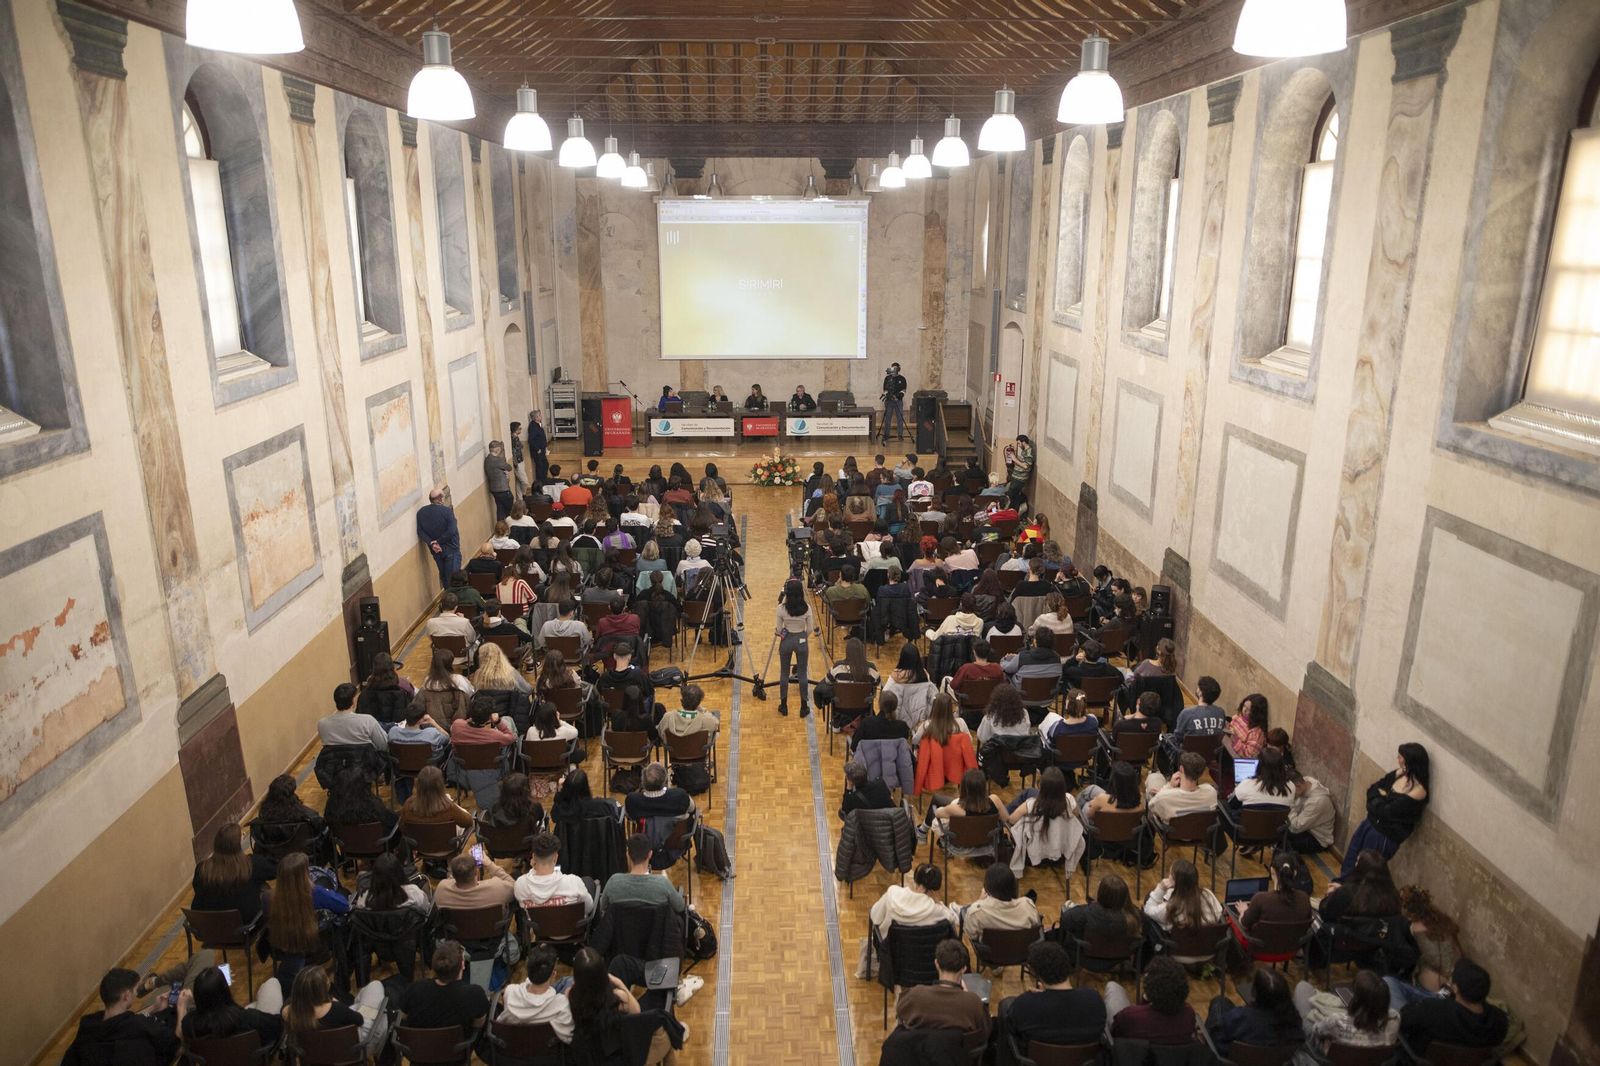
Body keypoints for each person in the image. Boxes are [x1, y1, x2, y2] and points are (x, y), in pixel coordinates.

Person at [1340, 742, 1430, 881]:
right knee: (1351, 858)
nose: (1398, 760)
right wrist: (1379, 799)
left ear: (1411, 761)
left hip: (1384, 835)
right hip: (1369, 823)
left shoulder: (1419, 791)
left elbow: (1387, 811)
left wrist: (1378, 799)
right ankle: (1340, 887)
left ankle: (1352, 897)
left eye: (1401, 757)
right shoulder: (1400, 774)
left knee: (1365, 869)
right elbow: (1372, 789)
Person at [62, 968, 186, 1066]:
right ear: (126, 996)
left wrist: (154, 1008)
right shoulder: (141, 1027)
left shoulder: (89, 1024)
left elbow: (122, 1022)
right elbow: (176, 1046)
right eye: (135, 990)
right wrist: (181, 1008)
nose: (136, 993)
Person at [858, 864, 956, 978]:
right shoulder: (938, 912)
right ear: (937, 888)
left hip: (893, 960)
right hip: (926, 964)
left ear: (915, 881)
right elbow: (953, 920)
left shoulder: (893, 894)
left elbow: (875, 916)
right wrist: (939, 903)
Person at [1295, 969, 1399, 1060]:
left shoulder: (1337, 1021)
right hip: (1371, 1060)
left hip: (1329, 1059)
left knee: (1302, 987)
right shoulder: (1395, 1017)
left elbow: (1316, 1031)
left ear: (1357, 1000)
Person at [894, 939, 989, 1037]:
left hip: (923, 1050)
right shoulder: (974, 1002)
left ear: (936, 964)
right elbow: (985, 1032)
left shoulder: (915, 995)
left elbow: (900, 1014)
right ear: (964, 969)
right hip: (959, 1051)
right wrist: (967, 996)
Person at [1207, 967, 1303, 1056]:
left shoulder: (1240, 1017)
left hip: (1233, 1058)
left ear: (1255, 992)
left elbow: (1220, 1038)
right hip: (1273, 1059)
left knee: (1219, 1003)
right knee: (1224, 1003)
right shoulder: (1295, 1019)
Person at [397, 939, 490, 1031]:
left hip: (418, 1044)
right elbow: (478, 1025)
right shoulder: (475, 994)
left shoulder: (415, 989)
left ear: (434, 967)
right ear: (463, 965)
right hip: (457, 1044)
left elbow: (402, 1017)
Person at [191, 823, 275, 923]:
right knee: (269, 893)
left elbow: (198, 892)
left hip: (208, 929)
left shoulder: (201, 868)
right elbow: (276, 870)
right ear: (238, 844)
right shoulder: (252, 864)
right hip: (245, 927)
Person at [1143, 860, 1224, 963]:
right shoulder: (1209, 895)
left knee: (1147, 918)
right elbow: (1219, 915)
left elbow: (1147, 909)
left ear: (1174, 881)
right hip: (1208, 953)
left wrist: (1161, 888)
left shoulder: (1171, 908)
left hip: (1179, 954)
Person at [179, 964, 281, 1044]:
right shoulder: (247, 1018)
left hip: (215, 1060)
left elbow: (180, 1035)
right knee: (272, 983)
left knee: (253, 1005)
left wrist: (181, 1006)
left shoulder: (189, 1025)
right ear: (225, 991)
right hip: (251, 1058)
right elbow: (277, 1027)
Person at [1106, 955, 1198, 1044]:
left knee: (1113, 987)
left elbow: (1115, 1033)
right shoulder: (1188, 1014)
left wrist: (1145, 1000)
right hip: (1171, 1057)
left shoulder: (1129, 1016)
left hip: (1134, 1055)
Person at [498, 943, 574, 1041]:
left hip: (515, 1047)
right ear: (553, 974)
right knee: (568, 981)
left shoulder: (510, 991)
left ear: (528, 971)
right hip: (546, 1053)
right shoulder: (562, 1004)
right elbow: (568, 1038)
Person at [515, 831, 596, 917]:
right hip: (572, 929)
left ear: (533, 857)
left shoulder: (520, 884)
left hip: (539, 929)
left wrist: (532, 869)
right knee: (588, 881)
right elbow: (589, 908)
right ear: (556, 858)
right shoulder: (573, 882)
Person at [601, 834, 686, 913]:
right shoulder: (662, 884)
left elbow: (601, 908)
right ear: (650, 854)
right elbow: (680, 907)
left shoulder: (614, 882)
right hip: (656, 929)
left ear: (628, 854)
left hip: (620, 929)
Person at [958, 863, 1041, 942]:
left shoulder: (977, 913)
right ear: (1014, 886)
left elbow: (970, 934)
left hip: (990, 956)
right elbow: (1036, 926)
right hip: (1022, 954)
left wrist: (979, 901)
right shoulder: (1028, 906)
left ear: (986, 889)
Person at [1238, 854, 1313, 935]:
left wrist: (1243, 911)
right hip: (1293, 946)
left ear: (1272, 871)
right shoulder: (1304, 898)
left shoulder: (1260, 899)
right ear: (1295, 873)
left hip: (1261, 946)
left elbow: (1244, 924)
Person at [775, 578, 816, 719]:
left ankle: (784, 705)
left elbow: (779, 629)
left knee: (784, 673)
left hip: (786, 640)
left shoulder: (781, 608)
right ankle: (804, 707)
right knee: (803, 673)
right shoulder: (807, 609)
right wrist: (803, 636)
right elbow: (810, 629)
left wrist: (785, 633)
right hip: (801, 639)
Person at [1145, 752, 1218, 828]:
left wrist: (1169, 786)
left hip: (1171, 834)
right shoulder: (1211, 792)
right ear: (1201, 773)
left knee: (1154, 777)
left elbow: (1151, 805)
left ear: (1181, 769)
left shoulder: (1165, 797)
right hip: (1200, 832)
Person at [317, 681, 391, 753]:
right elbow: (383, 745)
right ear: (353, 700)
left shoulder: (322, 724)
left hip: (335, 764)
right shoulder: (367, 721)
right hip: (365, 763)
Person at [433, 849, 516, 910]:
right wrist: (490, 864)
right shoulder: (497, 888)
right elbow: (515, 888)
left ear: (453, 875)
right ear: (476, 872)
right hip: (493, 932)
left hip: (457, 933)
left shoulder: (442, 890)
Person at [417, 488, 462, 588]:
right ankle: (454, 600)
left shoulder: (421, 512)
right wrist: (438, 541)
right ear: (440, 499)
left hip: (436, 551)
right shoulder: (447, 511)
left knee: (444, 577)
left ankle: (448, 598)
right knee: (454, 578)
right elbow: (452, 530)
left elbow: (420, 531)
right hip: (451, 549)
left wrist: (432, 543)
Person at [484, 441, 515, 521]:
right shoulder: (497, 460)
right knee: (510, 511)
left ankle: (500, 529)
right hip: (503, 489)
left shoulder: (487, 459)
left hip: (494, 489)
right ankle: (510, 527)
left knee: (500, 510)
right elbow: (509, 467)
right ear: (497, 449)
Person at [880, 361, 908, 442]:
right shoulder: (888, 378)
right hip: (889, 401)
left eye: (896, 368)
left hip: (898, 401)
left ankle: (900, 435)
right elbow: (885, 389)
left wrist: (898, 396)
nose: (894, 369)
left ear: (898, 369)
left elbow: (904, 390)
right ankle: (886, 435)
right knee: (887, 418)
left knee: (900, 418)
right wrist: (887, 394)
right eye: (893, 368)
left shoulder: (902, 379)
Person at [1005, 434, 1035, 506]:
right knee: (1012, 495)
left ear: (1023, 442)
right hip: (1016, 476)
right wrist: (1014, 455)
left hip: (1020, 478)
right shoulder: (1024, 451)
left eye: (1019, 443)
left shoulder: (1029, 452)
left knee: (1011, 496)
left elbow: (1026, 466)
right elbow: (1023, 461)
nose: (1018, 445)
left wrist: (1015, 459)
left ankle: (1010, 511)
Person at [525, 411, 549, 487]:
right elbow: (531, 440)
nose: (541, 416)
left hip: (542, 449)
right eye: (539, 415)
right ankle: (540, 482)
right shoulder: (533, 426)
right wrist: (537, 449)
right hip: (538, 451)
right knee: (540, 466)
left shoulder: (538, 425)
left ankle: (544, 480)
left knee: (545, 465)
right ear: (535, 417)